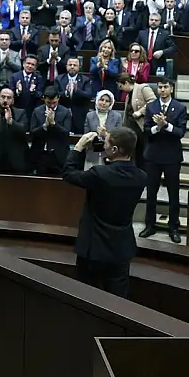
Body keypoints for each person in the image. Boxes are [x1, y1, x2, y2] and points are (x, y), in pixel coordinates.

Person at [62, 126, 147, 297]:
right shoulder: (141, 177)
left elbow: (69, 173)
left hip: (94, 247)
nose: (104, 146)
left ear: (115, 149)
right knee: (118, 298)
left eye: (107, 143)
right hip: (121, 247)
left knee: (87, 296)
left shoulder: (100, 174)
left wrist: (78, 147)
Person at [141, 77, 187, 242]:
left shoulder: (180, 107)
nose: (162, 90)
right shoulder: (151, 106)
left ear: (171, 89)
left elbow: (181, 132)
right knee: (151, 192)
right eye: (160, 87)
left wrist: (166, 125)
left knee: (173, 193)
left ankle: (173, 227)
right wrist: (157, 127)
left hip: (172, 156)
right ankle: (149, 225)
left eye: (165, 87)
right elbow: (146, 130)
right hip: (153, 155)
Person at [28, 89, 72, 175]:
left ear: (58, 98)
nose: (51, 105)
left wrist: (53, 124)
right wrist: (44, 126)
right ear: (44, 99)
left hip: (58, 155)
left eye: (54, 102)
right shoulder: (37, 111)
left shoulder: (65, 112)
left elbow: (66, 133)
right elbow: (32, 133)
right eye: (48, 103)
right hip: (40, 154)